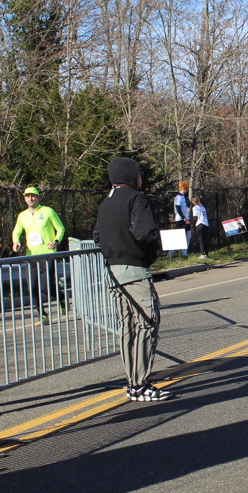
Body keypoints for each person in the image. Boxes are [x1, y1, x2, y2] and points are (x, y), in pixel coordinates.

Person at [94, 157, 171, 401]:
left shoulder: (105, 204)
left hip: (112, 273)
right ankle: (140, 384)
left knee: (127, 327)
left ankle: (132, 381)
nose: (141, 178)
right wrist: (149, 255)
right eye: (138, 173)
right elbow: (144, 234)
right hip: (135, 271)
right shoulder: (137, 199)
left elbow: (97, 236)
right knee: (147, 323)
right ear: (130, 174)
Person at [11, 186, 66, 326]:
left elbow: (60, 228)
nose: (30, 198)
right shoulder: (22, 216)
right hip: (31, 256)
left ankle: (61, 297)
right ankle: (42, 315)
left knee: (46, 287)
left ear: (38, 197)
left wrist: (56, 241)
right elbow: (17, 231)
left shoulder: (48, 211)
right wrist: (16, 241)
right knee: (32, 287)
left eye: (33, 196)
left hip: (47, 254)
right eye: (27, 196)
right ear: (24, 199)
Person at [173, 182, 191, 257]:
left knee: (188, 235)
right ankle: (171, 251)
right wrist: (184, 218)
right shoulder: (178, 197)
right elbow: (178, 209)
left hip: (186, 218)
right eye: (186, 188)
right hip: (180, 219)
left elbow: (188, 205)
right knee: (179, 236)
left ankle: (185, 252)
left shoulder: (184, 197)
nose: (188, 190)